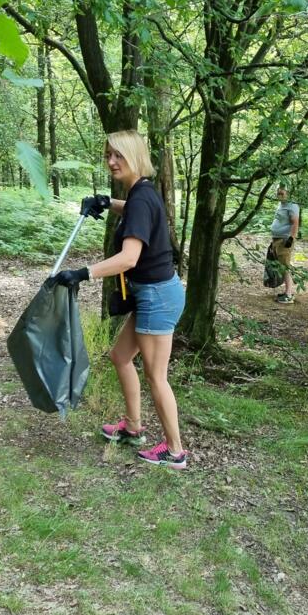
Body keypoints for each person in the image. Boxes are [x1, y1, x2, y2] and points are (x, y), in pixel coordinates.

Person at [50, 130, 189, 469]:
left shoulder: (142, 197)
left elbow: (128, 258)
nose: (111, 161)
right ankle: (133, 427)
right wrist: (106, 202)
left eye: (118, 155)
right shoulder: (142, 192)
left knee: (157, 376)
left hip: (157, 297)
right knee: (120, 355)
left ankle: (175, 451)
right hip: (153, 294)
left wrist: (82, 273)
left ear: (135, 156)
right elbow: (137, 212)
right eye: (108, 155)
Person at [268, 185, 299, 303]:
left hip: (285, 240)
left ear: (288, 193)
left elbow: (295, 223)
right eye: (278, 192)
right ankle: (287, 291)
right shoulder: (282, 205)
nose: (279, 194)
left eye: (282, 192)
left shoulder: (292, 205)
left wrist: (291, 238)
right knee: (281, 266)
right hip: (277, 240)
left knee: (285, 266)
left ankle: (289, 295)